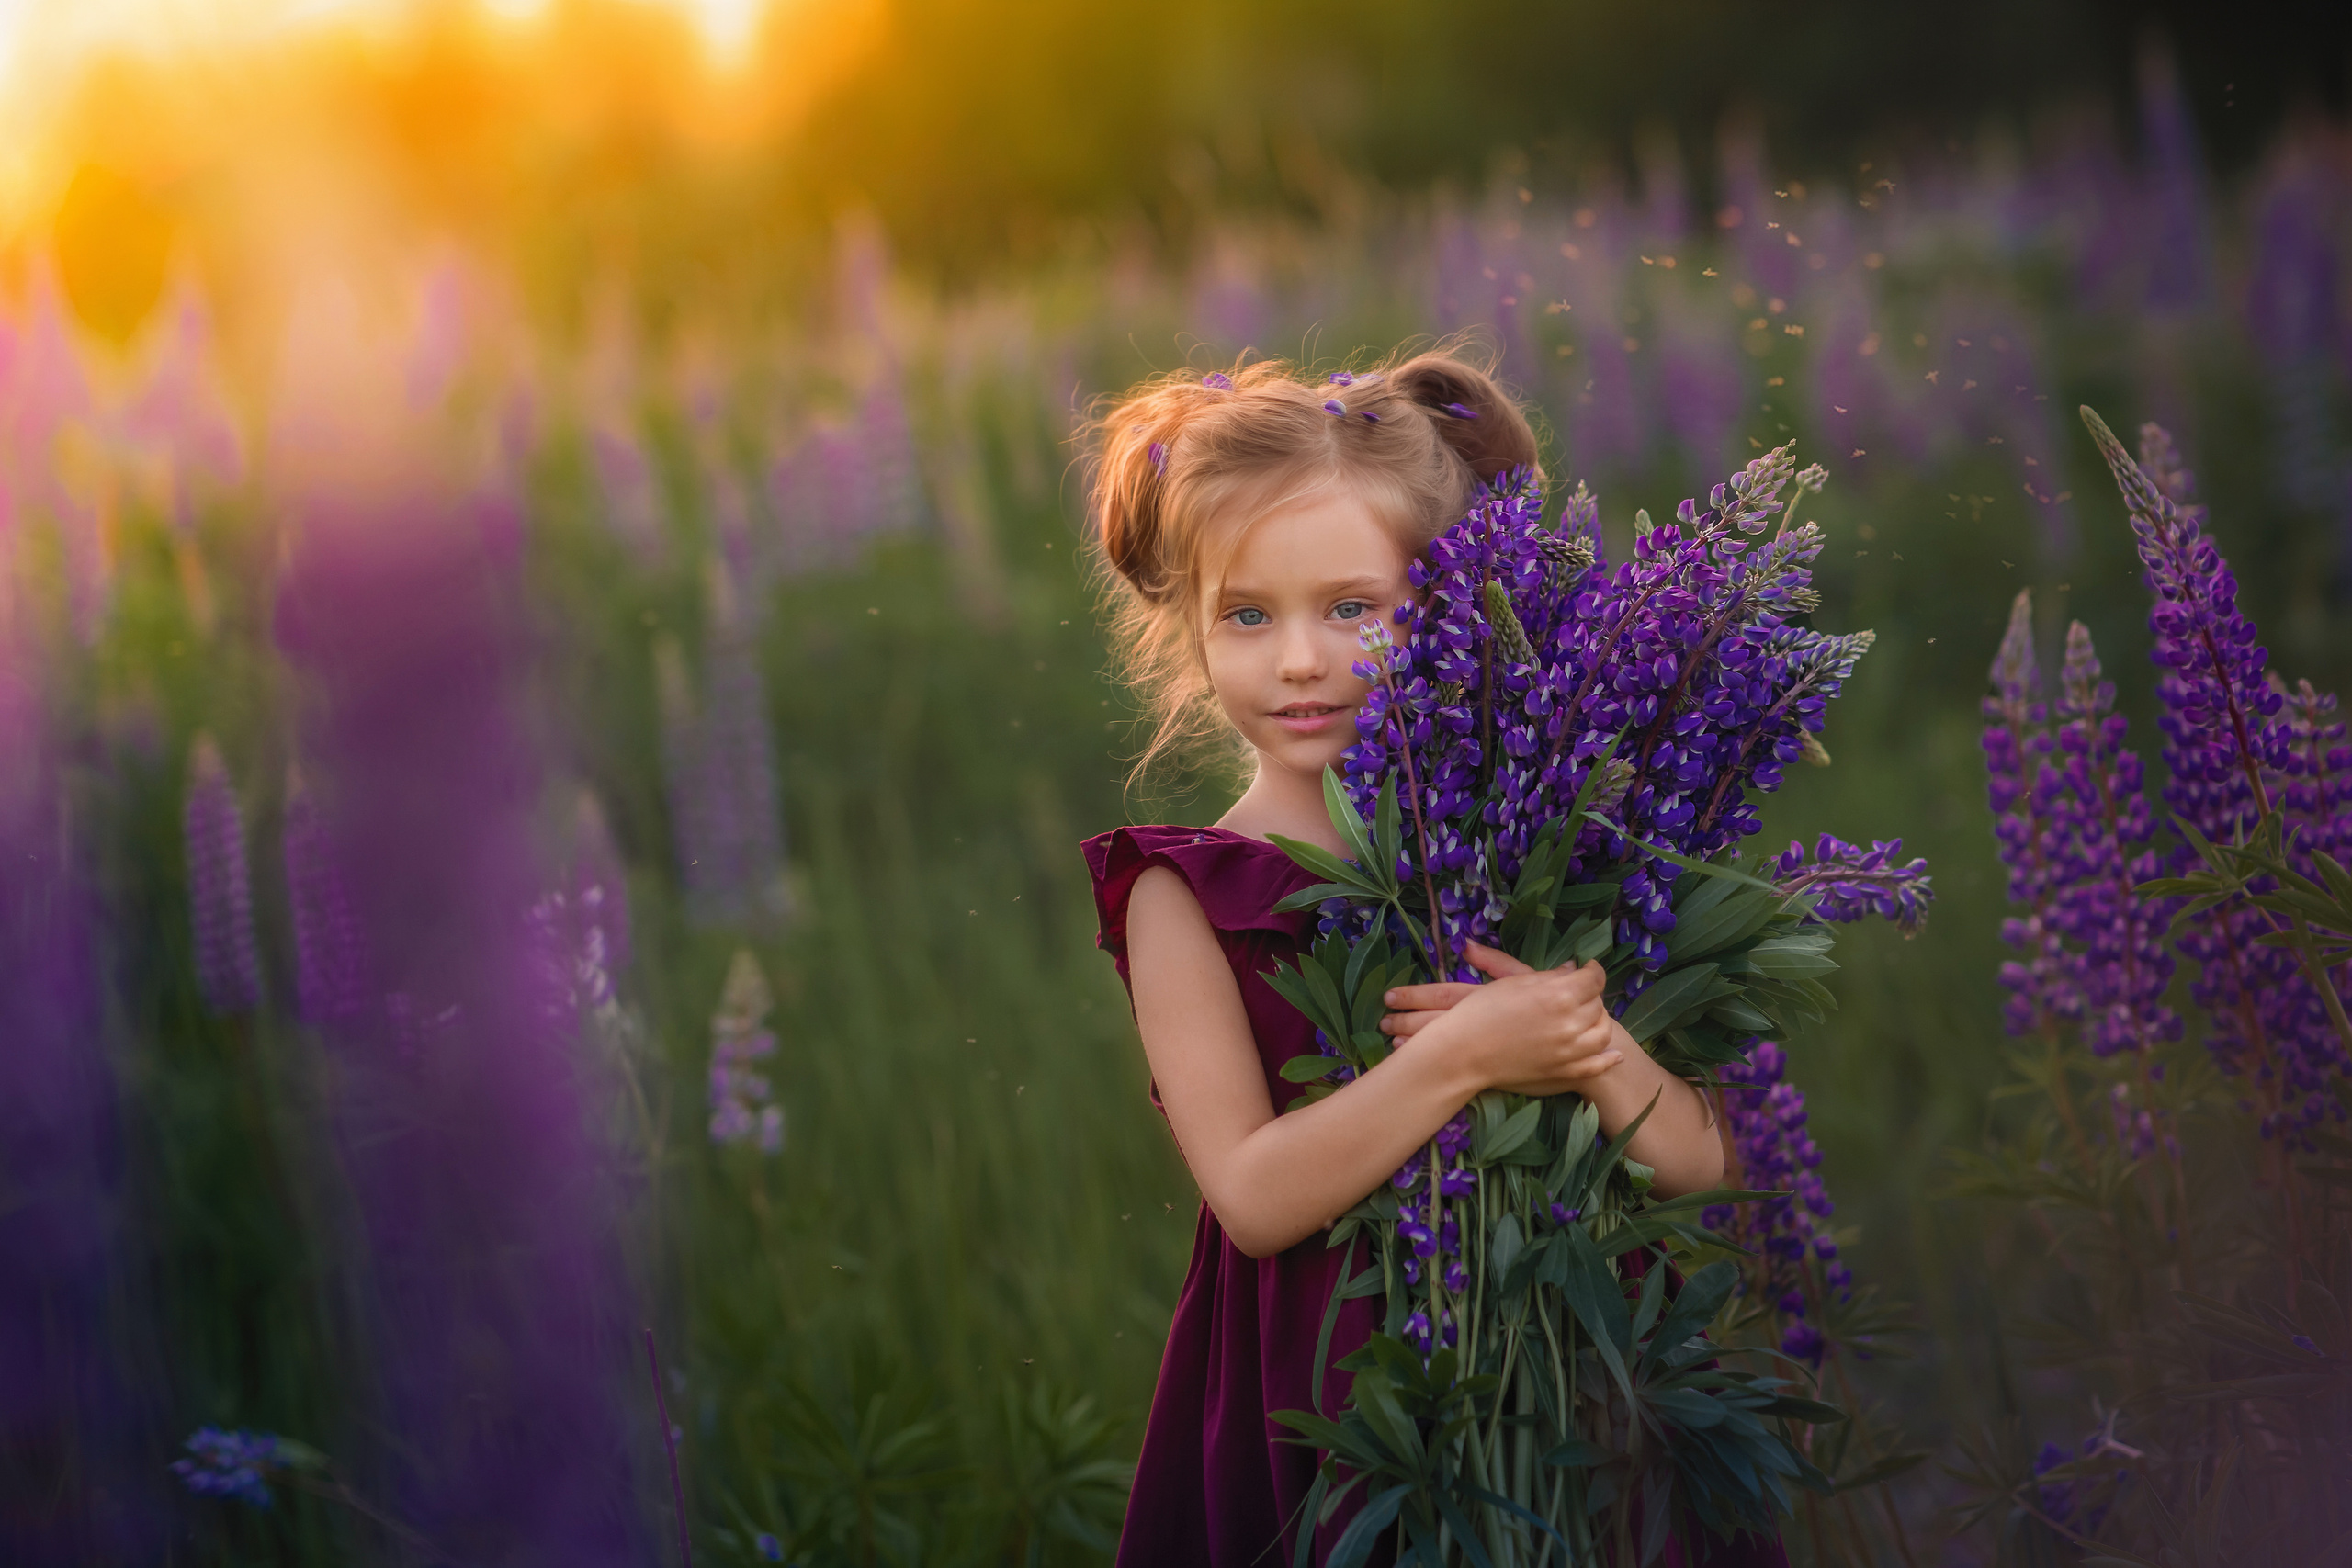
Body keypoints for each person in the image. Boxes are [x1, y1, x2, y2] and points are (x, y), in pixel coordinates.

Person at [1080, 348, 1781, 1567]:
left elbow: (1705, 1156)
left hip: (1575, 1381)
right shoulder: (1181, 892)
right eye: (1247, 615)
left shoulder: (1527, 844)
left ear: (1445, 604)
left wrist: (1594, 1048)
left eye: (1354, 609)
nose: (1299, 660)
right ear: (1189, 634)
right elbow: (1249, 1197)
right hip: (1344, 1410)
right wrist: (1461, 1058)